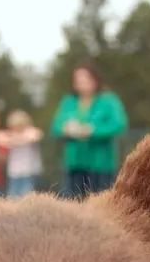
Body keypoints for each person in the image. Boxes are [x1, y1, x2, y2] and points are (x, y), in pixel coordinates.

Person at [50, 63, 128, 198]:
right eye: (78, 80)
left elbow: (119, 124)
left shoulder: (108, 100)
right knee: (72, 204)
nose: (81, 83)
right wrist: (66, 129)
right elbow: (56, 126)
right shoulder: (69, 101)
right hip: (74, 164)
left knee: (101, 205)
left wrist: (92, 131)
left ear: (95, 80)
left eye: (85, 79)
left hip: (100, 165)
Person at [4, 110, 43, 198]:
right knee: (12, 196)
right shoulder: (9, 135)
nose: (17, 129)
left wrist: (16, 140)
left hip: (28, 172)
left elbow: (36, 136)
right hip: (14, 172)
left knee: (27, 196)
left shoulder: (31, 133)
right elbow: (2, 140)